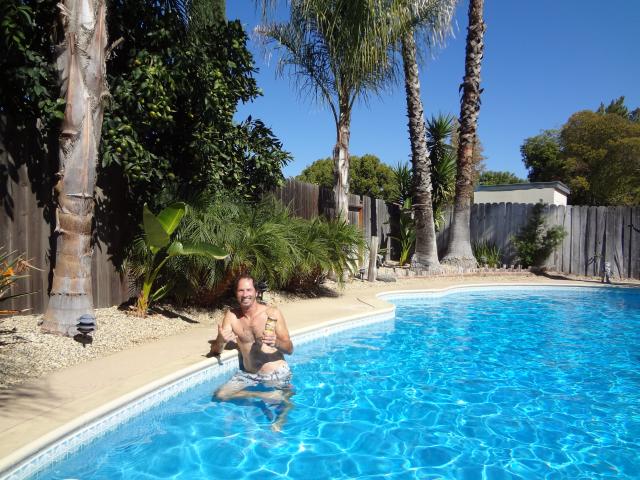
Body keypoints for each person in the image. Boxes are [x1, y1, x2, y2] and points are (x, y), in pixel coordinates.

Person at [209, 273, 294, 430]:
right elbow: (215, 351)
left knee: (284, 405)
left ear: (256, 292)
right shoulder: (232, 316)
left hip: (276, 373)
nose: (245, 294)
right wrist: (221, 339)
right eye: (241, 290)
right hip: (249, 375)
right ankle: (264, 396)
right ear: (236, 293)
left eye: (249, 290)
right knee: (219, 395)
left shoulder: (272, 313)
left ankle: (281, 413)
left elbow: (290, 349)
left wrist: (275, 342)